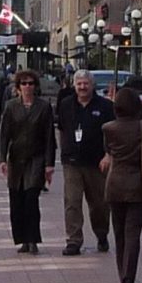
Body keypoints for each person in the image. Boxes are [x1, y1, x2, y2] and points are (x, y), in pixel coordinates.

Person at [100, 87, 142, 283]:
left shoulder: (108, 128)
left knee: (118, 232)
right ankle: (130, 275)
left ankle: (122, 273)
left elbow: (109, 151)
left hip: (115, 184)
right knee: (133, 231)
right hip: (139, 186)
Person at [56, 69, 114, 256]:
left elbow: (113, 134)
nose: (82, 87)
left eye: (85, 83)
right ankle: (74, 240)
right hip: (72, 162)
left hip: (97, 163)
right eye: (79, 83)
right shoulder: (65, 105)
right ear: (74, 85)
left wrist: (109, 155)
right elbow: (62, 129)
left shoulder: (105, 106)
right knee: (72, 202)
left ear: (92, 85)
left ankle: (101, 234)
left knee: (99, 205)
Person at [0, 70, 55, 254]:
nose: (27, 87)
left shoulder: (43, 107)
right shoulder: (11, 106)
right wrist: (2, 158)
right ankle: (22, 239)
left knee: (31, 199)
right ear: (18, 87)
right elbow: (4, 134)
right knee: (17, 202)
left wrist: (49, 163)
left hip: (36, 158)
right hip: (16, 159)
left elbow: (49, 137)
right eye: (24, 83)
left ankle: (33, 240)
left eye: (31, 83)